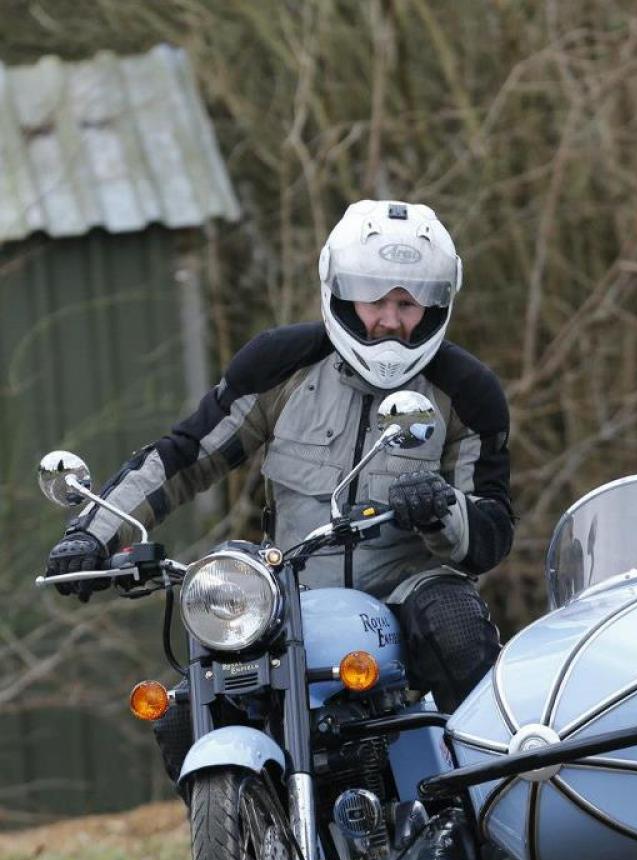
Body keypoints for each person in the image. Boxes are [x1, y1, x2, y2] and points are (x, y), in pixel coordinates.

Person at [44, 199, 512, 716]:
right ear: (338, 291)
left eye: (408, 304)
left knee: (456, 625)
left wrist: (442, 508)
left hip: (408, 593)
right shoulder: (282, 365)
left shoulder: (467, 391)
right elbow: (185, 457)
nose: (388, 321)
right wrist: (92, 533)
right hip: (292, 593)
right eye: (372, 298)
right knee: (185, 708)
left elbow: (490, 532)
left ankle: (489, 787)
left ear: (438, 305)